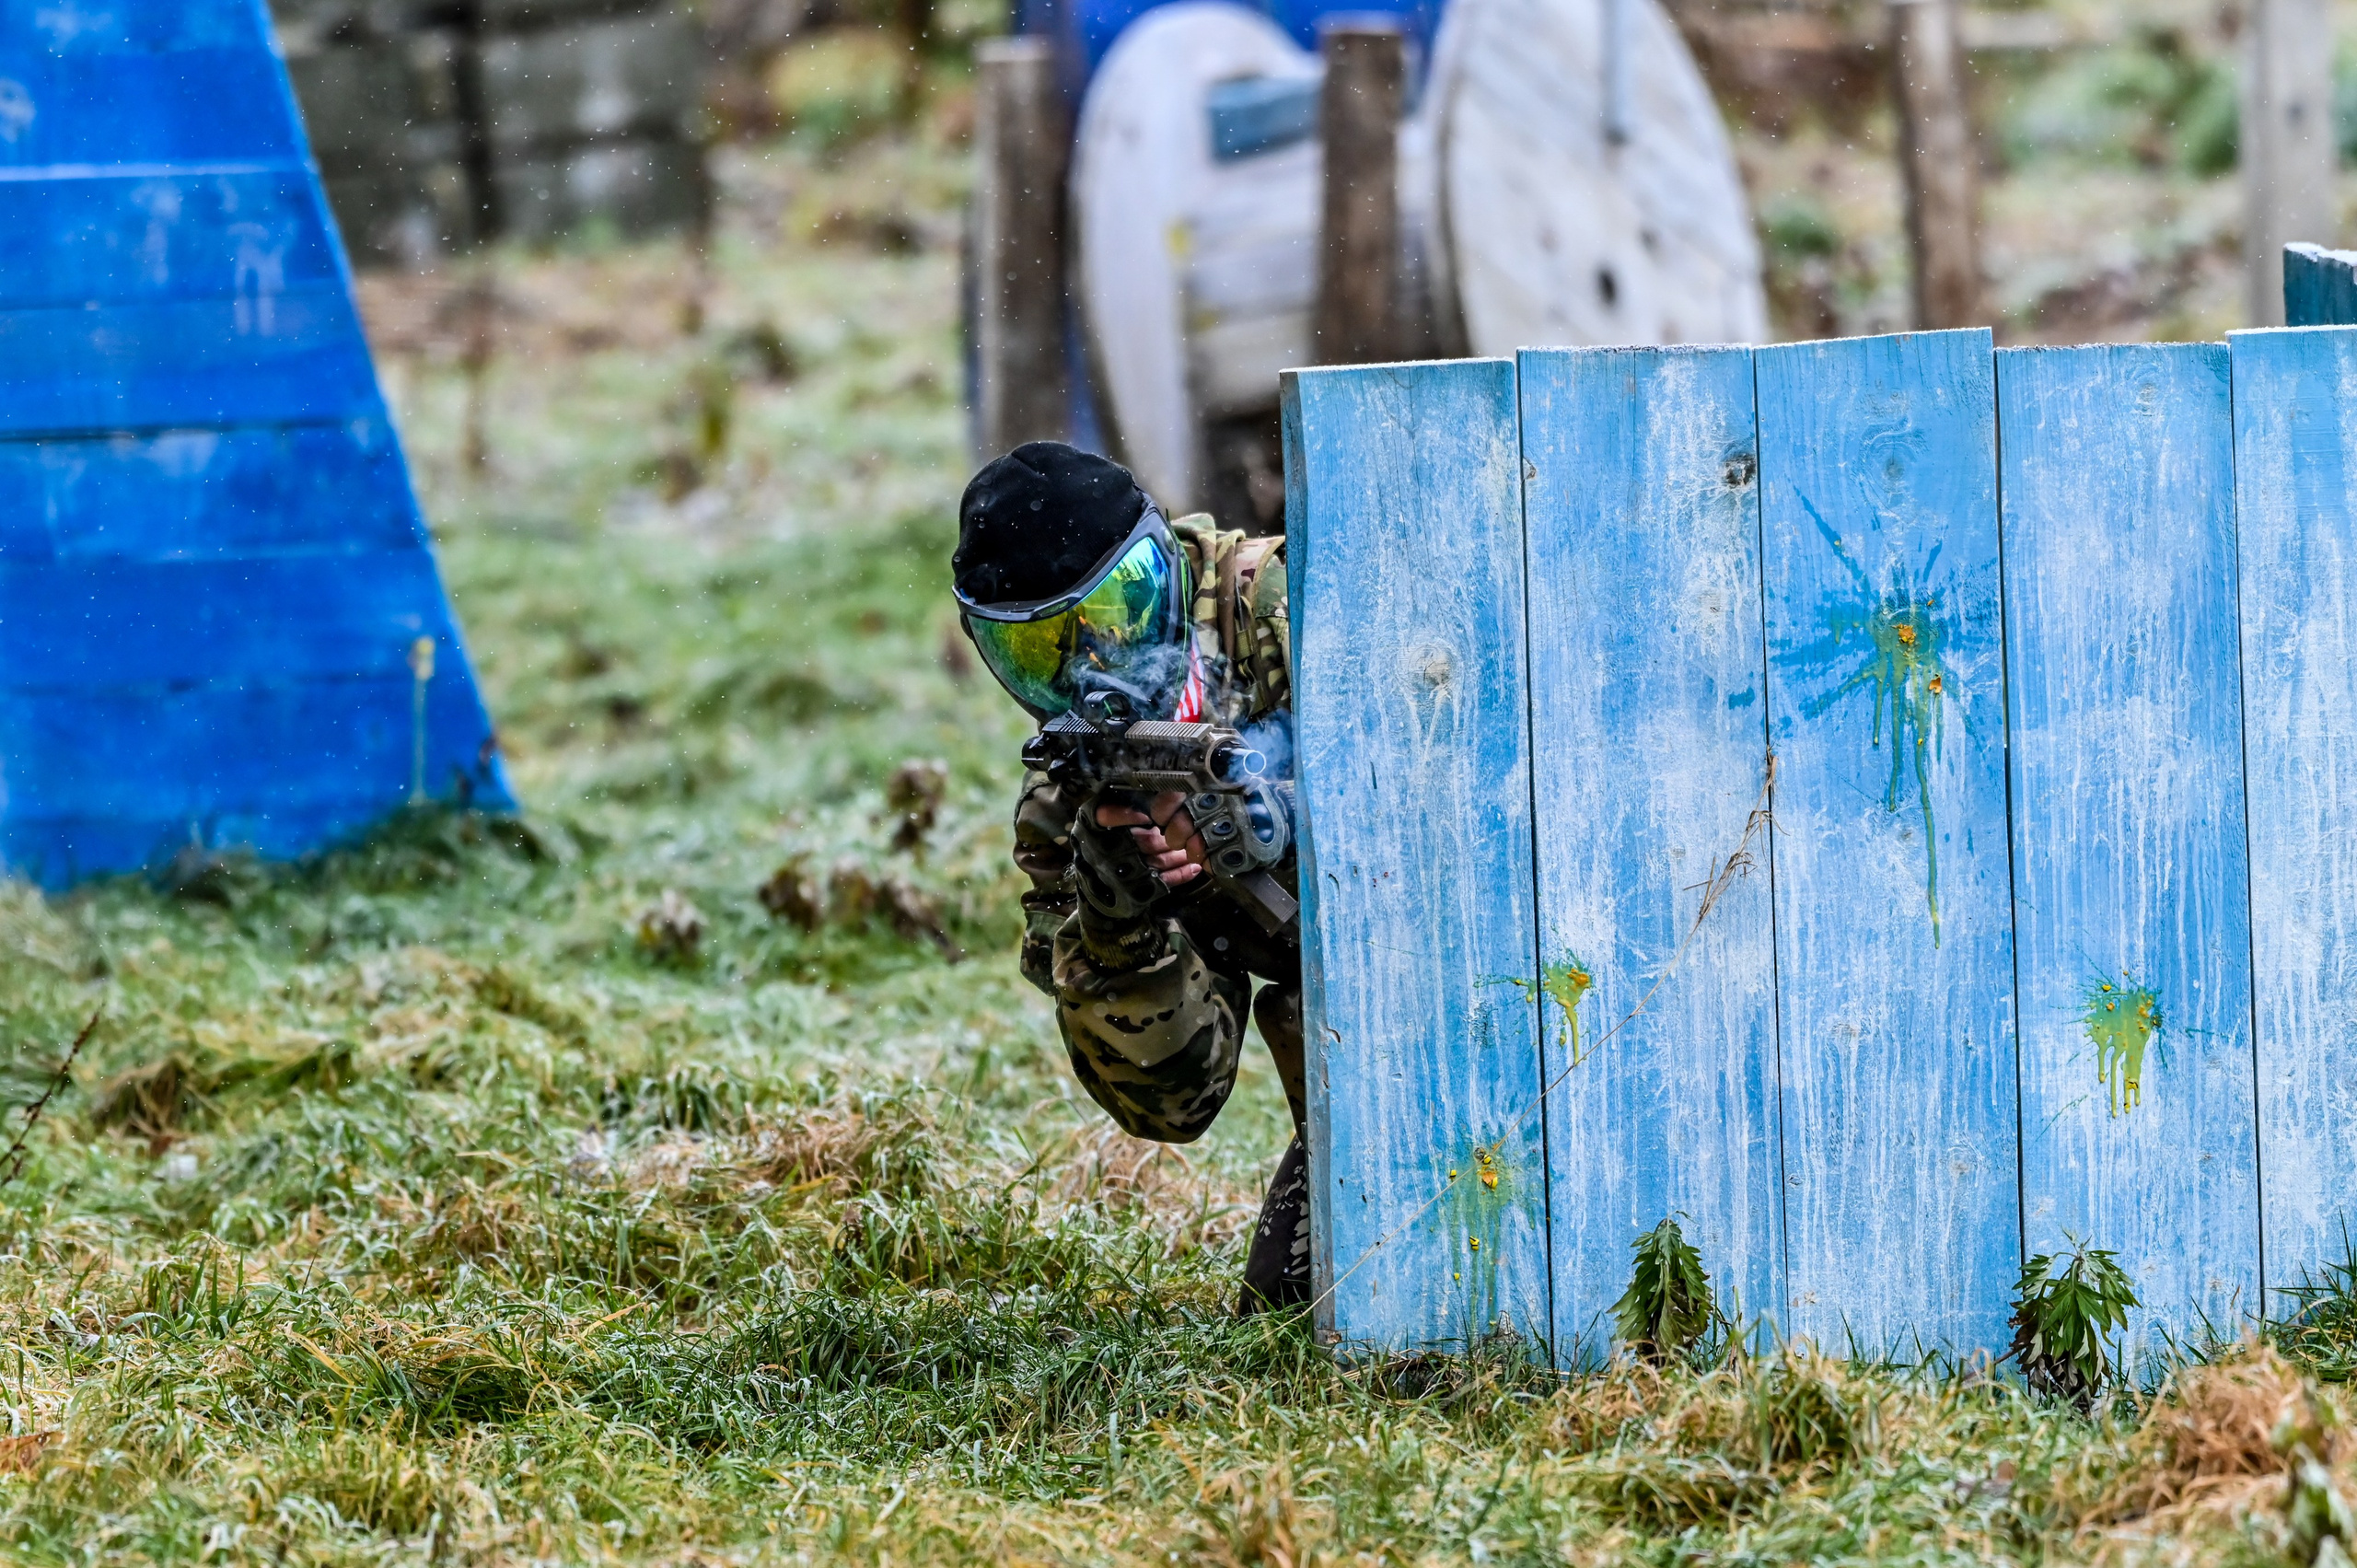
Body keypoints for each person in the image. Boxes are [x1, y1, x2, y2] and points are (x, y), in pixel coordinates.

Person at [951, 441, 1307, 1312]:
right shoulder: (1070, 812)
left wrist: (1291, 823)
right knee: (1298, 1310)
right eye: (1037, 652)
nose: (1092, 672)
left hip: (1498, 979)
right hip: (1360, 1076)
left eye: (1115, 614)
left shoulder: (1287, 612)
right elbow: (1173, 1103)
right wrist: (1118, 920)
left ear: (1165, 565)